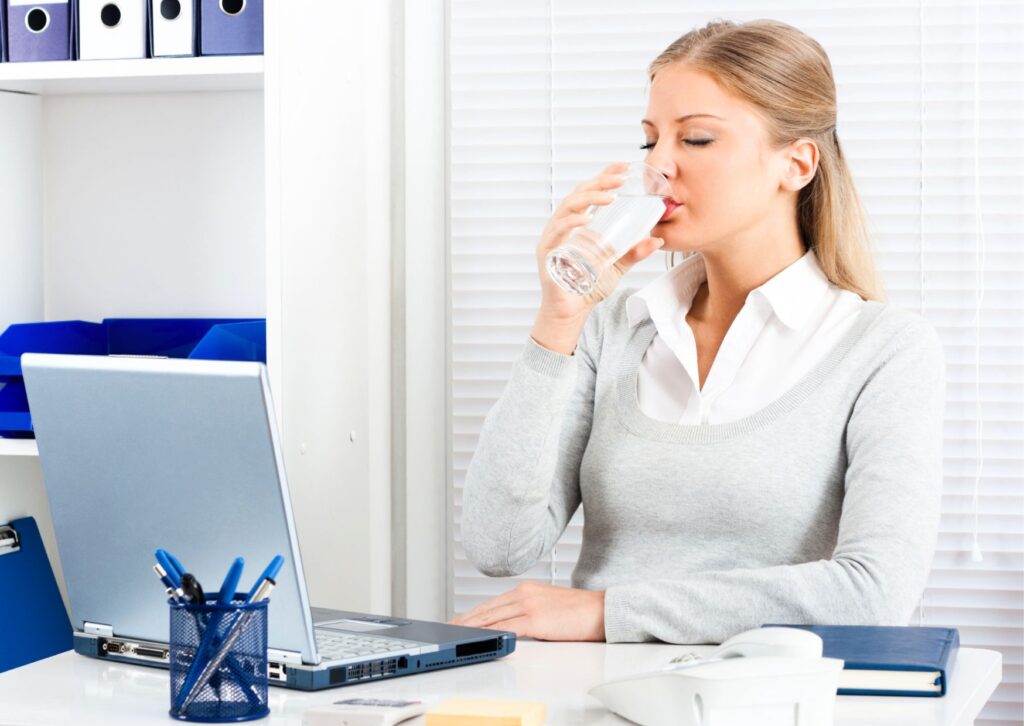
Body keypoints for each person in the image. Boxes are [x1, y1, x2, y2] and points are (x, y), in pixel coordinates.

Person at [451, 18, 946, 644]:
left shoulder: (884, 347)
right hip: (592, 694)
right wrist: (557, 323)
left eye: (698, 140)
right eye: (650, 142)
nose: (657, 168)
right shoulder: (616, 330)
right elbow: (499, 545)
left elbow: (874, 593)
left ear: (796, 164)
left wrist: (608, 613)